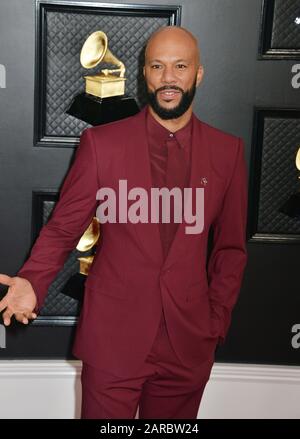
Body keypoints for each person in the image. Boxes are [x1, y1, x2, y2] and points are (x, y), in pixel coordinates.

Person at [0, 26, 248, 419]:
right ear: (144, 74)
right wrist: (33, 279)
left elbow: (231, 249)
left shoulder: (228, 152)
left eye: (180, 66)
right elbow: (64, 227)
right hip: (113, 341)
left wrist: (215, 321)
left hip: (188, 345)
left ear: (198, 74)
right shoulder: (102, 145)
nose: (169, 78)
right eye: (157, 66)